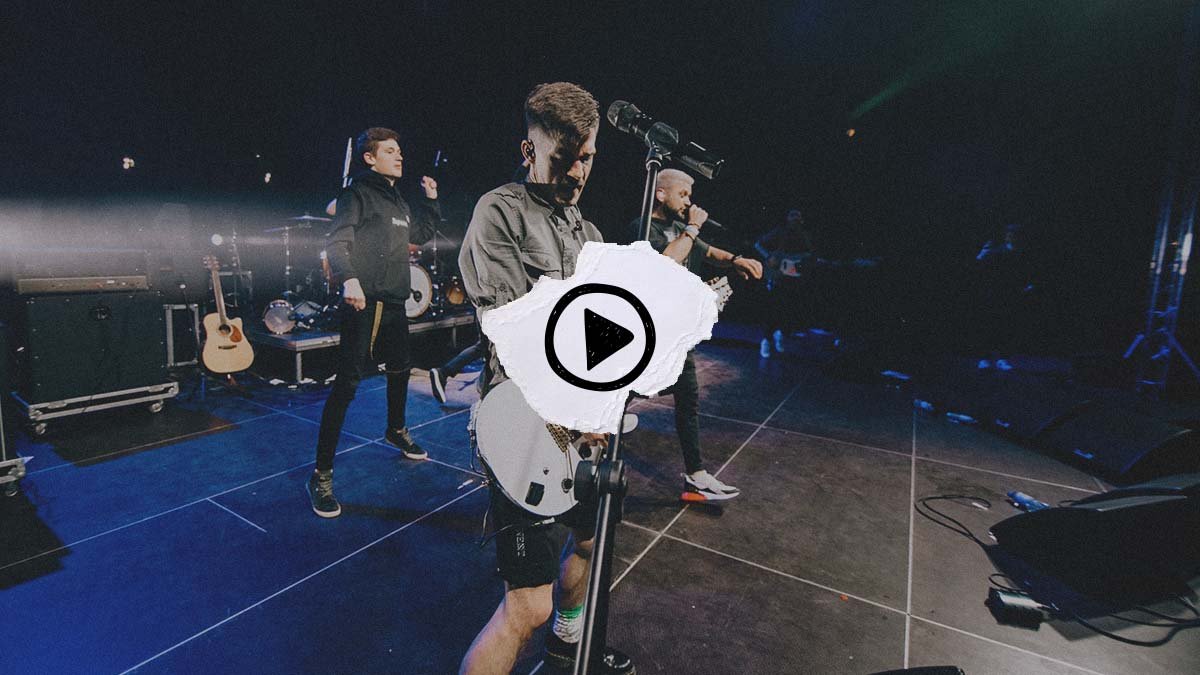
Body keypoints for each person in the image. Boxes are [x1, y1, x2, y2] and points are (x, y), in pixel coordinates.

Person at [457, 82, 634, 675]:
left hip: (580, 426)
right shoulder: (499, 213)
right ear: (530, 149)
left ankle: (568, 638)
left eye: (588, 158)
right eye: (566, 158)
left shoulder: (590, 235)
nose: (578, 173)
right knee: (527, 605)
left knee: (588, 543)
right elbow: (514, 333)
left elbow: (597, 339)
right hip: (521, 425)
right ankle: (545, 626)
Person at [306, 127, 441, 519]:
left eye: (400, 150)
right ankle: (321, 475)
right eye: (390, 151)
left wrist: (431, 201)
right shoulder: (357, 195)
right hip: (364, 301)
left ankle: (395, 430)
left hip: (395, 300)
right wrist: (349, 278)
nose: (399, 156)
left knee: (400, 369)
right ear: (369, 157)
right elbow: (337, 242)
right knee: (347, 384)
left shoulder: (398, 201)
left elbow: (419, 235)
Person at [633, 168, 762, 502]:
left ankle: (696, 475)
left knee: (687, 400)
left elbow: (707, 252)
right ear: (661, 194)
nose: (689, 202)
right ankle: (581, 437)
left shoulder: (680, 229)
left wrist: (736, 260)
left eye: (690, 196)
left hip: (676, 337)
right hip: (648, 336)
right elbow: (665, 262)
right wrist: (692, 227)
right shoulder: (642, 228)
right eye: (683, 194)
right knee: (623, 394)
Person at [754, 207, 817, 358]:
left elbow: (811, 253)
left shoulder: (805, 235)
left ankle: (780, 334)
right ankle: (766, 340)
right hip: (778, 275)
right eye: (792, 216)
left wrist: (803, 259)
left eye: (798, 217)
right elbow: (758, 244)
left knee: (789, 309)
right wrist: (769, 257)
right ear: (787, 218)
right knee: (773, 308)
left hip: (794, 276)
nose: (795, 219)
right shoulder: (779, 232)